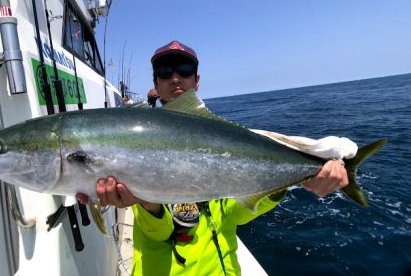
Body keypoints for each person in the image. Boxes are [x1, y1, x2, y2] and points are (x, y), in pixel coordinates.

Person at [88, 41, 348, 276]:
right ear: (156, 84)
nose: (176, 78)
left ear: (196, 80)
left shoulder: (223, 142)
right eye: (165, 72)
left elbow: (236, 215)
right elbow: (158, 234)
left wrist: (285, 183)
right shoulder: (137, 139)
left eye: (184, 70)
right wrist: (148, 205)